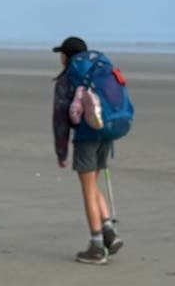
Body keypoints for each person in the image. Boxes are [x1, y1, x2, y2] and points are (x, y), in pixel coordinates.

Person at [52, 35, 131, 264]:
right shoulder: (99, 69)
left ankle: (96, 247)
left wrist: (61, 152)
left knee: (87, 188)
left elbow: (60, 119)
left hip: (87, 135)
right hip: (107, 129)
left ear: (66, 56)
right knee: (93, 183)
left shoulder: (69, 78)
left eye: (61, 53)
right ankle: (108, 232)